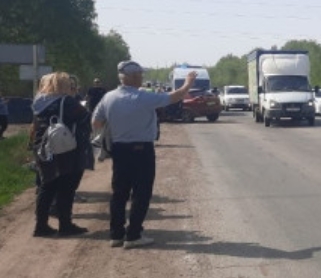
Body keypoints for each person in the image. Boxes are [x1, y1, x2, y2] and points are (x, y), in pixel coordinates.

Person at [93, 60, 197, 249]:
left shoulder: (108, 97)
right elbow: (176, 96)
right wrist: (188, 82)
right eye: (140, 75)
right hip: (141, 151)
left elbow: (96, 123)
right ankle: (133, 235)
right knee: (141, 193)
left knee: (119, 193)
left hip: (119, 149)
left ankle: (116, 234)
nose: (142, 78)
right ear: (132, 77)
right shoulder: (143, 97)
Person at [29, 72, 90, 237]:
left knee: (46, 186)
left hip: (44, 147)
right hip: (65, 149)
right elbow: (85, 118)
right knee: (67, 188)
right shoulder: (67, 101)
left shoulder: (39, 102)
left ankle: (41, 226)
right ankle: (65, 224)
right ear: (63, 86)